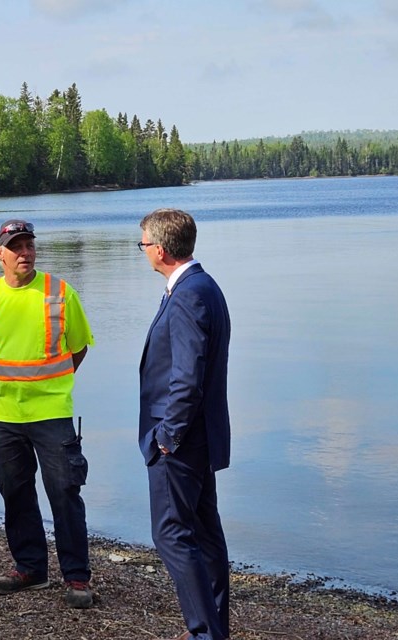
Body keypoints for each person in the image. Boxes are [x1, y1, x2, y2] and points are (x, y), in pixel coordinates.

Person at [0, 219, 96, 609]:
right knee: (15, 493)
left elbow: (79, 348)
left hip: (51, 413)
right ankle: (30, 569)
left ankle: (76, 577)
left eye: (29, 246)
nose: (25, 253)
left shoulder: (60, 293)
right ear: (0, 254)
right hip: (3, 415)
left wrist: (51, 384)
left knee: (64, 494)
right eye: (16, 246)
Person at [137, 208, 232, 640]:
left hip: (182, 440)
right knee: (205, 534)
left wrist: (167, 438)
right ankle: (214, 628)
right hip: (199, 437)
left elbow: (187, 377)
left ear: (159, 248)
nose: (143, 252)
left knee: (172, 534)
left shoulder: (190, 293)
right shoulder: (203, 286)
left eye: (143, 245)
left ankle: (205, 632)